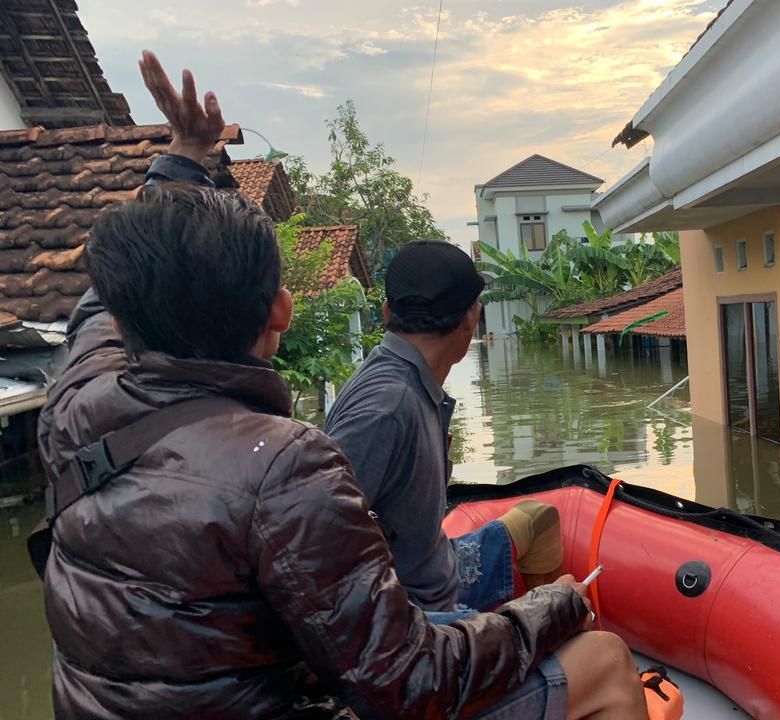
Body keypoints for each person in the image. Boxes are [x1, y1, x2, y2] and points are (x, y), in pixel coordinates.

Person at [35, 50, 645, 720]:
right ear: (282, 312)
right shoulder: (286, 464)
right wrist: (556, 605)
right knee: (606, 660)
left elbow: (102, 300)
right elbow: (407, 683)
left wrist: (182, 162)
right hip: (355, 660)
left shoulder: (75, 403)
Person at [325, 241, 564, 620]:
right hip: (416, 616)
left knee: (539, 519)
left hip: (439, 569)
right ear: (473, 316)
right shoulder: (386, 408)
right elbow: (324, 548)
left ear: (387, 311)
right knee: (593, 648)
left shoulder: (406, 382)